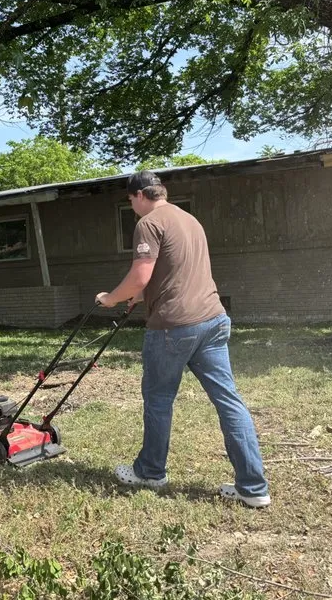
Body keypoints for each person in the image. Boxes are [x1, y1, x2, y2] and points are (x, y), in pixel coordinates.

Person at [95, 171, 271, 508]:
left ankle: (150, 472)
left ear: (139, 195)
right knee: (229, 401)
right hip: (213, 320)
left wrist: (112, 298)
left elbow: (140, 274)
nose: (132, 207)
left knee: (159, 398)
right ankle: (254, 488)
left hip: (173, 327)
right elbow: (174, 270)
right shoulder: (190, 220)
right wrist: (142, 294)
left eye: (130, 200)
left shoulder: (148, 222)